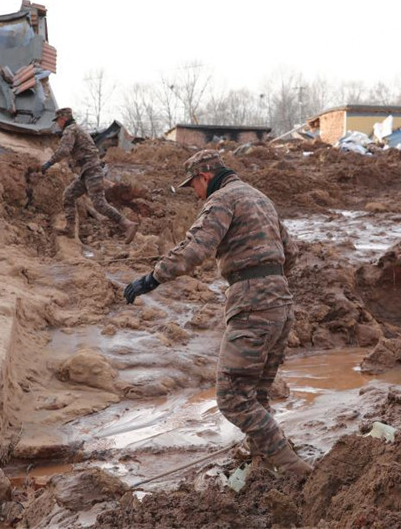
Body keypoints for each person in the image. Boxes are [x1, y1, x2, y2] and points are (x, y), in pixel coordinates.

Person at [123, 150, 312, 476]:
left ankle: (293, 467)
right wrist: (269, 277)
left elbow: (196, 249)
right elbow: (290, 251)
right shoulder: (260, 198)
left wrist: (151, 279)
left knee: (233, 398)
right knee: (256, 395)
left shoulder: (222, 200)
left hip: (252, 306)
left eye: (193, 186)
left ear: (204, 177)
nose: (194, 194)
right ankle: (262, 460)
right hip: (281, 303)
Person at [40, 108, 137, 243]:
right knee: (68, 194)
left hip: (91, 170)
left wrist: (49, 163)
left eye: (58, 121)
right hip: (87, 171)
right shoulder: (77, 129)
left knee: (99, 204)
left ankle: (127, 224)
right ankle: (69, 228)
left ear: (63, 119)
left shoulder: (70, 130)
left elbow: (64, 150)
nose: (57, 124)